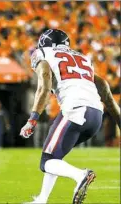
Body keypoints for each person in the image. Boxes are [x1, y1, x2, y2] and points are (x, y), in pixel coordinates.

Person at [20, 29, 120, 204]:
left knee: (47, 161)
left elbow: (44, 83)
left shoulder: (42, 53)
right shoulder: (82, 58)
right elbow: (103, 85)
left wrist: (32, 118)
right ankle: (42, 199)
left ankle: (81, 175)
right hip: (96, 114)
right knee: (54, 156)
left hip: (74, 110)